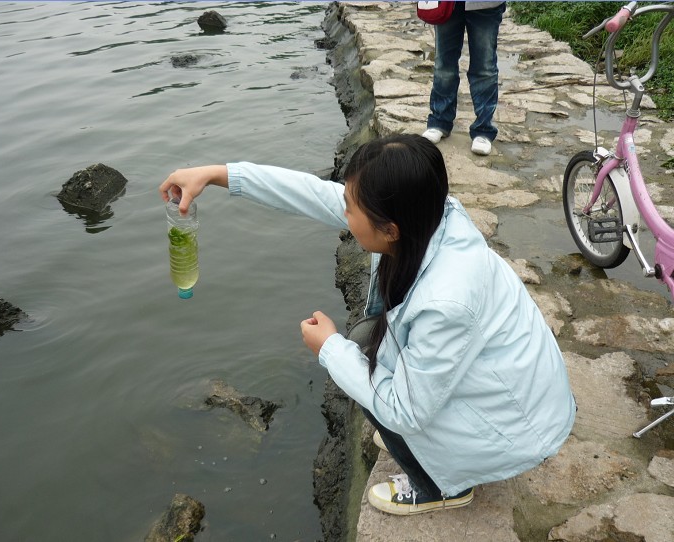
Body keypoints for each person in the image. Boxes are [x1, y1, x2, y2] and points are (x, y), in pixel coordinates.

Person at [159, 134, 575, 516]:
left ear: (389, 229)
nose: (342, 211)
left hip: (516, 426)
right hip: (501, 383)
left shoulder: (447, 302)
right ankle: (435, 448)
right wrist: (216, 175)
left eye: (351, 208)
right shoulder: (426, 216)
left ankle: (440, 487)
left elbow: (405, 411)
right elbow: (312, 194)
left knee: (359, 359)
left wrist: (329, 350)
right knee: (366, 347)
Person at [422, 1, 506, 157]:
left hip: (485, 5)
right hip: (447, 4)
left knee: (484, 68)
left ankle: (483, 129)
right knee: (443, 65)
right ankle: (439, 120)